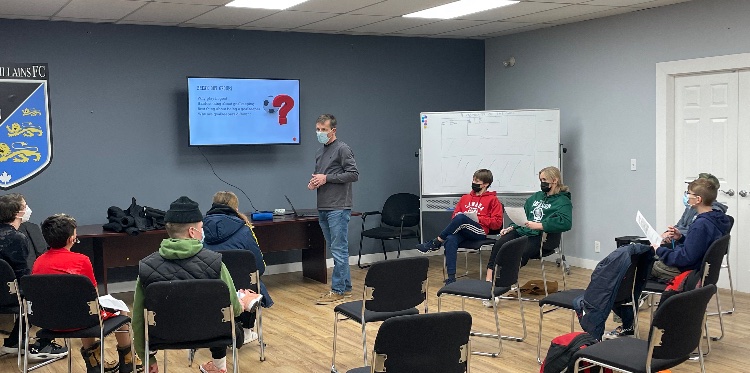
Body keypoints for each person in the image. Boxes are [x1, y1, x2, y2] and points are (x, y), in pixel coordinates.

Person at [132, 196, 256, 373]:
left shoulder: (146, 267)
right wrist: (242, 301)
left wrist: (147, 357)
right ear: (192, 232)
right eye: (201, 228)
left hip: (163, 337)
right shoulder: (215, 263)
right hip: (213, 335)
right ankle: (219, 366)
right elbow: (234, 309)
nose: (202, 232)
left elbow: (138, 319)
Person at [606, 178, 731, 339]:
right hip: (698, 270)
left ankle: (627, 325)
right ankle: (629, 318)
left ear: (698, 199)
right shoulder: (716, 219)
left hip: (686, 272)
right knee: (633, 269)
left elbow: (685, 258)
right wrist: (680, 238)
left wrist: (660, 250)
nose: (687, 196)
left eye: (689, 194)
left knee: (625, 273)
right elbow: (698, 248)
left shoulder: (700, 224)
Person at [32, 214, 142, 373]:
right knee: (120, 310)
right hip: (79, 320)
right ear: (71, 239)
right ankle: (130, 361)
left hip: (50, 321)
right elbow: (93, 296)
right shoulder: (81, 260)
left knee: (81, 310)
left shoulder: (38, 261)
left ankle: (95, 363)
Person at [0, 194, 68, 361]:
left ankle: (14, 342)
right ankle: (43, 344)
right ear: (18, 213)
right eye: (25, 205)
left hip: (3, 293)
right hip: (11, 296)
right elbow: (23, 276)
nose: (28, 208)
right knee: (51, 291)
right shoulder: (17, 237)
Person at [203, 191, 274, 345]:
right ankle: (247, 331)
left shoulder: (199, 230)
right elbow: (259, 267)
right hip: (243, 289)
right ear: (235, 207)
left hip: (210, 287)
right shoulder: (245, 230)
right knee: (252, 283)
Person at [415, 169, 503, 285]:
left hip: (479, 232)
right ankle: (451, 277)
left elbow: (497, 223)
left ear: (486, 184)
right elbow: (454, 218)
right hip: (463, 230)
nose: (474, 182)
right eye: (473, 180)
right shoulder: (465, 198)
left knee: (462, 218)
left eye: (477, 181)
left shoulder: (493, 200)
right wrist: (462, 218)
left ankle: (435, 242)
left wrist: (477, 218)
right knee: (451, 239)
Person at [485, 166, 572, 281]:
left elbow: (566, 223)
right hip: (525, 230)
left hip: (542, 237)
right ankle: (489, 278)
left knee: (518, 251)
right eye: (541, 180)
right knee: (500, 243)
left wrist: (540, 225)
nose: (542, 183)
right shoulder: (536, 197)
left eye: (544, 180)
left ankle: (503, 281)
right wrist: (511, 227)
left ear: (554, 180)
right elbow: (525, 216)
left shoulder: (563, 201)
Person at [307, 114, 359, 305]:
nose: (320, 133)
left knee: (339, 249)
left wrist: (326, 179)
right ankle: (345, 288)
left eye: (323, 130)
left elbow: (353, 174)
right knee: (336, 249)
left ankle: (338, 290)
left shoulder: (343, 149)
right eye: (318, 129)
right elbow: (323, 176)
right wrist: (315, 182)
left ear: (333, 130)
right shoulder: (320, 152)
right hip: (324, 205)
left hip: (339, 206)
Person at [662, 172, 727, 240]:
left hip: (686, 242)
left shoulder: (711, 214)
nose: (688, 196)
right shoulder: (692, 206)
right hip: (681, 239)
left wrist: (661, 249)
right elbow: (680, 225)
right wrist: (669, 233)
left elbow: (694, 233)